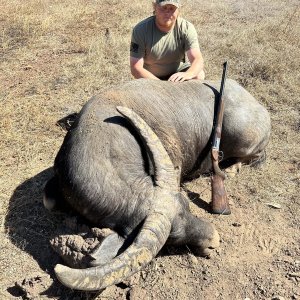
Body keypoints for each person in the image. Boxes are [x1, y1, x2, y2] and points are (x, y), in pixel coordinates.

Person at [130, 0, 205, 83]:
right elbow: (136, 68)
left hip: (176, 73)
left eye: (172, 8)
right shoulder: (141, 30)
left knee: (199, 75)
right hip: (150, 76)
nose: (167, 12)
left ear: (178, 10)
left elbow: (197, 59)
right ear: (154, 7)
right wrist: (163, 87)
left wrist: (188, 74)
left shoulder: (186, 28)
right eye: (163, 8)